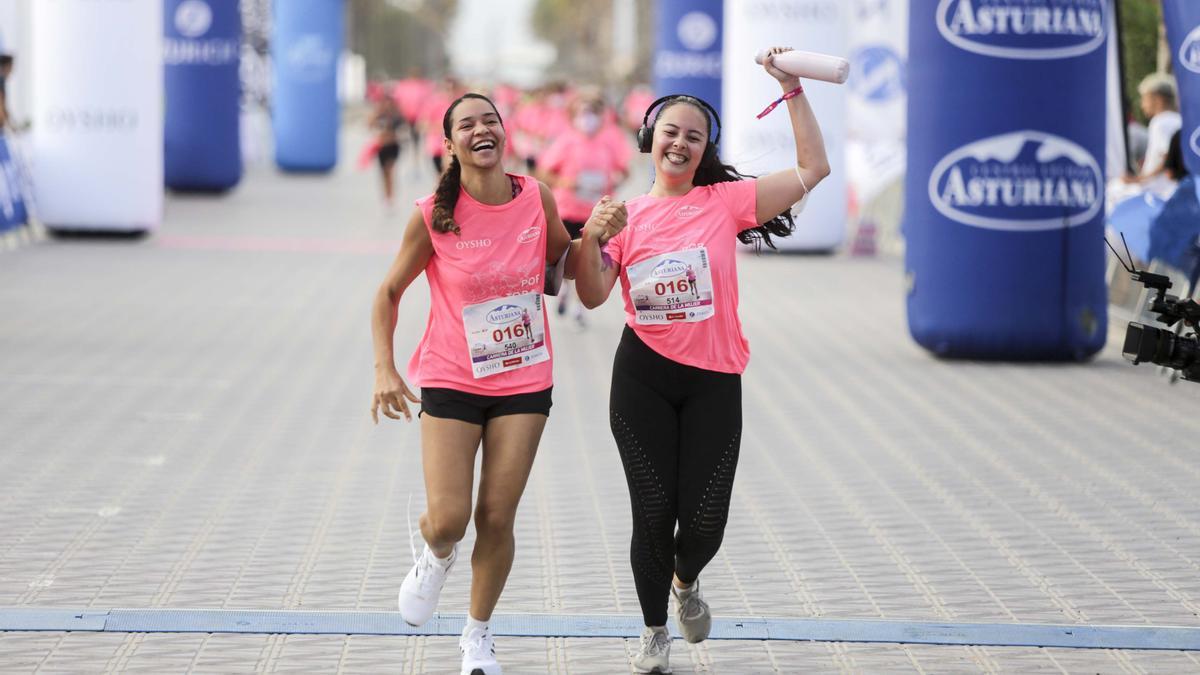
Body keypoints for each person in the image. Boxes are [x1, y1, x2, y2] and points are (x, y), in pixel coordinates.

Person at [574, 47, 830, 673]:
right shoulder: (625, 217)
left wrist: (791, 88)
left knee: (705, 523)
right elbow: (590, 293)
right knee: (654, 513)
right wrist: (590, 236)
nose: (680, 144)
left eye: (694, 136)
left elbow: (814, 166)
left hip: (715, 380)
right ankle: (654, 630)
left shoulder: (727, 202)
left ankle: (686, 580)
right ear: (649, 140)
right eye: (670, 133)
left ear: (704, 148)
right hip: (642, 379)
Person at [370, 92, 625, 675]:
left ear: (505, 132)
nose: (481, 129)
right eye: (467, 124)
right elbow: (387, 294)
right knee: (450, 519)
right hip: (451, 378)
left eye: (490, 120)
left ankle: (477, 636)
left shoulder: (536, 196)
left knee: (497, 517)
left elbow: (563, 270)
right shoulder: (434, 212)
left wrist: (597, 238)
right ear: (450, 143)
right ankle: (435, 556)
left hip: (523, 378)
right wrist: (385, 368)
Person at [537, 90, 629, 326]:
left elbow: (625, 169)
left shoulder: (610, 142)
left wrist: (613, 183)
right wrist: (567, 183)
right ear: (574, 115)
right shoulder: (566, 141)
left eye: (593, 112)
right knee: (567, 258)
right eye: (583, 112)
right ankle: (566, 289)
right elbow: (544, 173)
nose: (588, 118)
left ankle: (579, 308)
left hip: (596, 215)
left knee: (588, 261)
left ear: (601, 116)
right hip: (566, 209)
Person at [1125, 72, 1182, 199]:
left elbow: (1166, 158)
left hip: (1157, 190)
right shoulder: (1178, 119)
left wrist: (1139, 179)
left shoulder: (1160, 122)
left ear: (1158, 99)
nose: (1142, 105)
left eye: (1144, 99)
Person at [368, 95, 404, 209]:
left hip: (393, 147)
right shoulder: (379, 116)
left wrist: (391, 136)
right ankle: (386, 196)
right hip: (381, 147)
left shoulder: (397, 117)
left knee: (390, 170)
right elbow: (369, 126)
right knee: (384, 173)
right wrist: (375, 114)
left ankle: (391, 196)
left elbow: (403, 132)